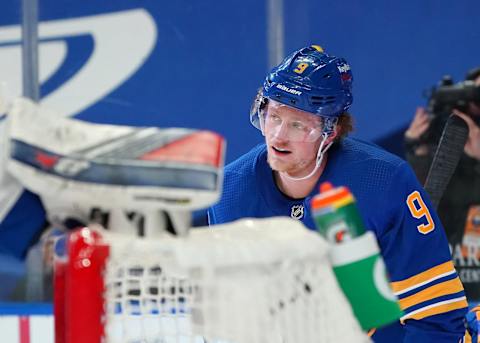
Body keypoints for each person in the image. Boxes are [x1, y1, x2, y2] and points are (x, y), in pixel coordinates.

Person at [208, 45, 468, 342]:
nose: (278, 135)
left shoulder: (384, 182)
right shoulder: (230, 191)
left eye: (298, 124)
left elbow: (437, 316)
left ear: (330, 133)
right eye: (274, 116)